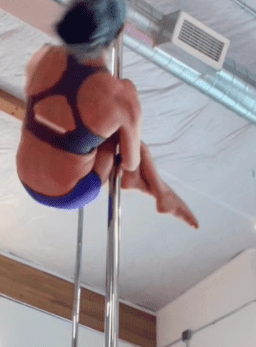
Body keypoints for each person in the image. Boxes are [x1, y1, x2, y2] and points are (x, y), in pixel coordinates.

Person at [16, 0, 199, 229]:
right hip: (70, 194)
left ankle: (160, 192)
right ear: (120, 32)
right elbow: (130, 162)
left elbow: (44, 110)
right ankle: (155, 189)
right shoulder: (120, 96)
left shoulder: (43, 56)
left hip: (25, 175)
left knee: (102, 127)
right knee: (123, 136)